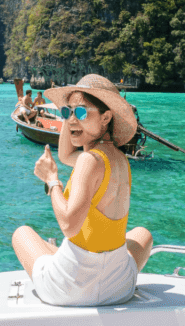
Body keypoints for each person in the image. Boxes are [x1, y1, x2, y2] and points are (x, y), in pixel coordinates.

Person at [12, 74, 153, 306]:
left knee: (22, 233)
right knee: (143, 234)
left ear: (106, 117)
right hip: (118, 288)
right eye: (68, 113)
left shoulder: (89, 161)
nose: (72, 121)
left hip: (70, 289)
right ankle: (68, 256)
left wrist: (52, 180)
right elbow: (66, 155)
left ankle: (64, 258)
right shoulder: (119, 159)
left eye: (82, 113)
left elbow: (69, 225)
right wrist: (71, 116)